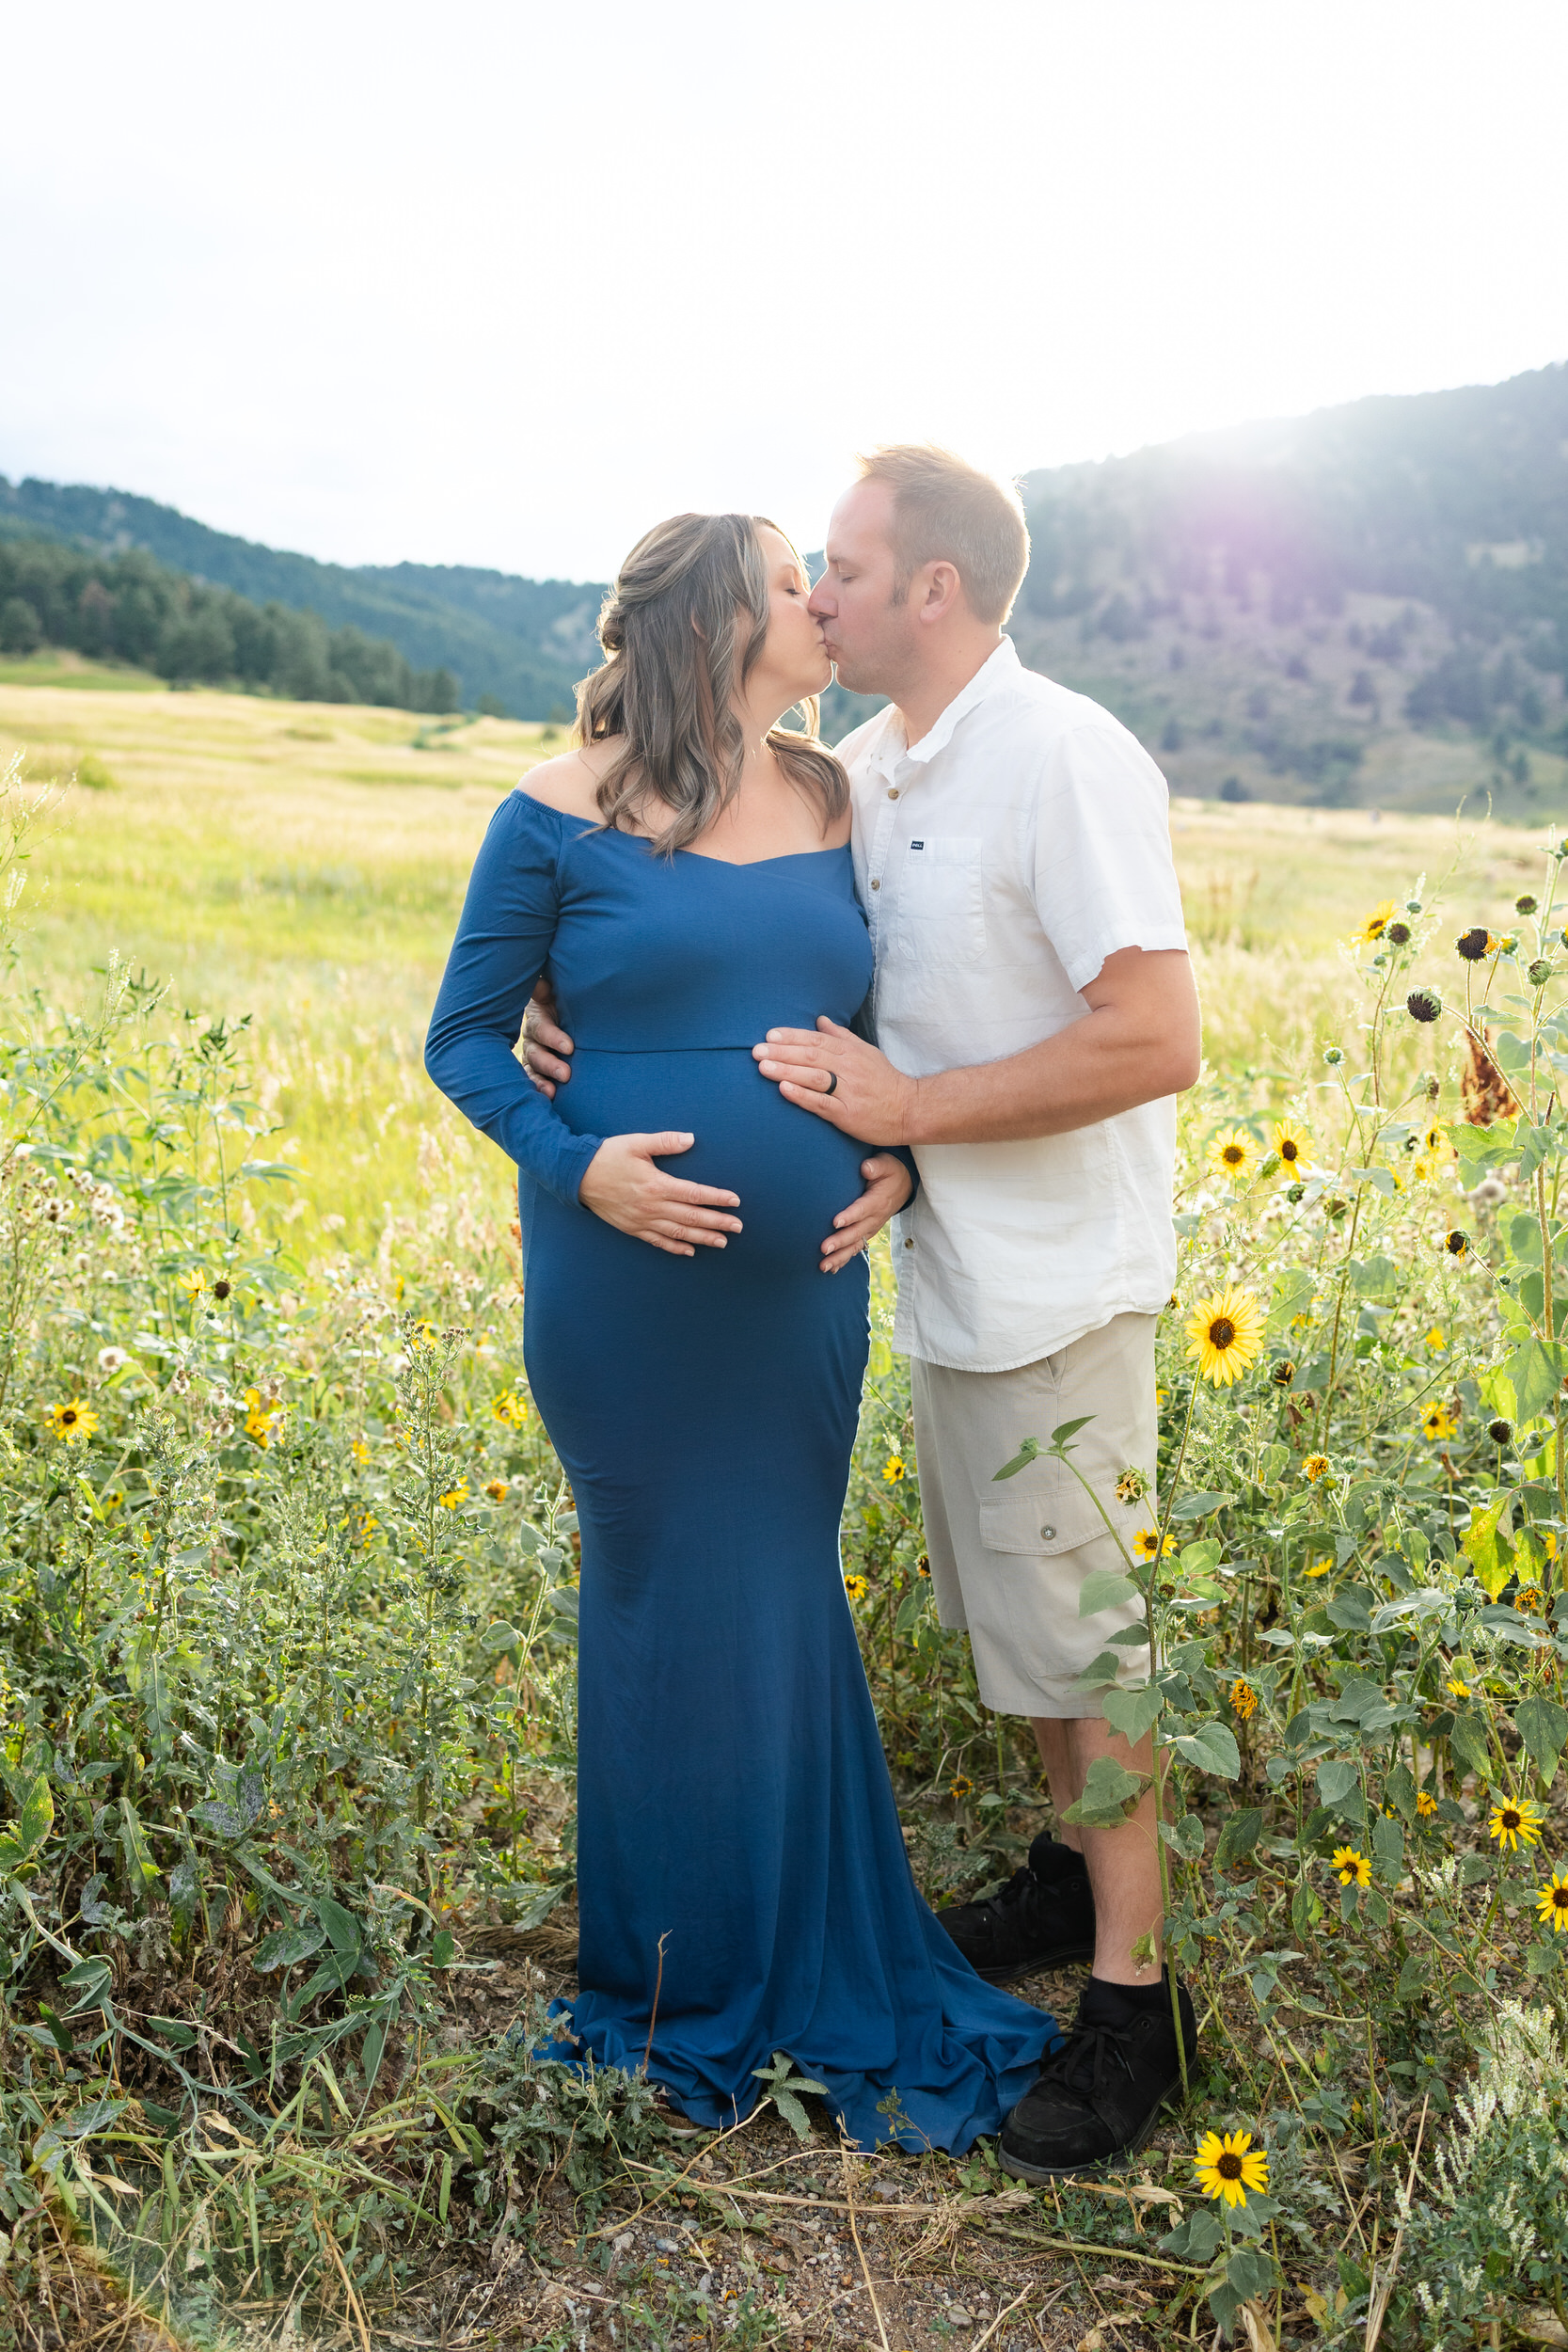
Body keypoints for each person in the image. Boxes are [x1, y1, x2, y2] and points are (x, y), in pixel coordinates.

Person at [527, 451, 1203, 2179]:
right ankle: (1066, 1884)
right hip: (930, 1273)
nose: (817, 597)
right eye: (804, 574)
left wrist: (909, 1122)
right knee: (1030, 1635)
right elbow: (786, 969)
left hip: (1059, 1279)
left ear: (936, 590)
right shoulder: (870, 772)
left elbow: (1155, 1040)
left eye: (841, 567)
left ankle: (1137, 2007)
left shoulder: (1065, 756)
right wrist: (568, 1030)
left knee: (1094, 1646)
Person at [424, 510, 1057, 2152]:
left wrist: (902, 1155)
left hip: (798, 1294)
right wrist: (584, 1172)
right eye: (794, 580)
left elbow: (891, 1020)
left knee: (779, 1590)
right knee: (653, 1607)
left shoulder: (839, 794)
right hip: (623, 1292)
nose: (821, 601)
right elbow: (466, 1042)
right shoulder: (554, 817)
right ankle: (666, 1979)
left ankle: (799, 1952)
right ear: (716, 615)